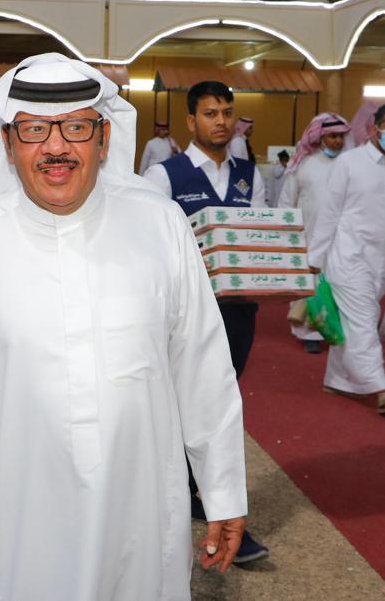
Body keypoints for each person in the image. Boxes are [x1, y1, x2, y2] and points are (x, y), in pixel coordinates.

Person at [0, 54, 247, 601]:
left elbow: (203, 369)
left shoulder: (160, 225)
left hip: (139, 513)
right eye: (35, 130)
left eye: (76, 128)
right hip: (21, 521)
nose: (56, 147)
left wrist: (224, 490)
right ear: (9, 144)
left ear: (104, 139)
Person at [143, 81, 268, 563]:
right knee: (180, 407)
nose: (221, 121)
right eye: (211, 113)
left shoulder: (250, 175)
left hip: (237, 311)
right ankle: (177, 504)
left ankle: (206, 500)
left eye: (228, 112)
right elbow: (147, 246)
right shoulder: (163, 175)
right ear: (191, 120)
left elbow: (260, 236)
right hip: (184, 316)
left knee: (220, 406)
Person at [308, 103, 385, 415]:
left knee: (356, 321)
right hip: (347, 256)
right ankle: (380, 389)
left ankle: (339, 380)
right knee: (363, 323)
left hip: (380, 262)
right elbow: (329, 214)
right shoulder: (349, 162)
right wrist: (315, 258)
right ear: (373, 129)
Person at [278, 112, 350, 354]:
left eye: (341, 136)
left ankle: (334, 329)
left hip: (341, 238)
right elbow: (286, 202)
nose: (337, 141)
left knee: (337, 283)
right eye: (332, 136)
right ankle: (309, 333)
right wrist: (288, 236)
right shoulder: (303, 165)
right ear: (320, 137)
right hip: (307, 235)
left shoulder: (349, 164)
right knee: (308, 286)